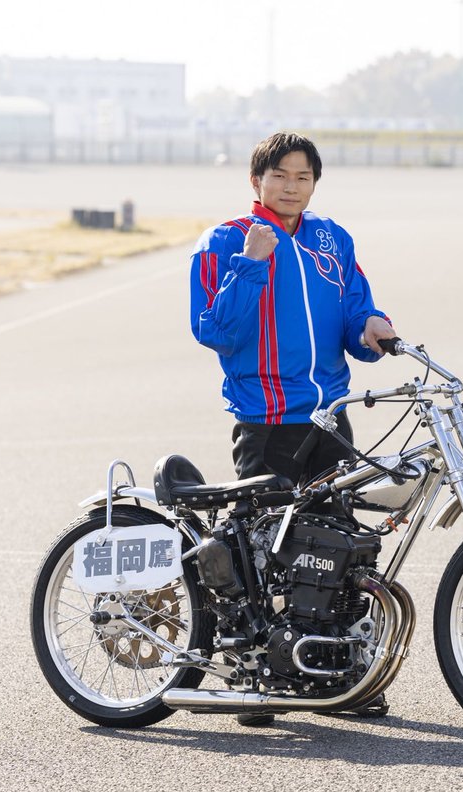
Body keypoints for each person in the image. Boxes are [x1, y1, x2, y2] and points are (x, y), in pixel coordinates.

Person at [188, 131, 397, 726]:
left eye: (303, 177)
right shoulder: (225, 241)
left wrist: (372, 326)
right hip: (265, 420)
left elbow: (355, 307)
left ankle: (343, 675)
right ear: (257, 180)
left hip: (329, 417)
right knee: (264, 552)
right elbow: (215, 330)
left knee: (340, 548)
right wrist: (252, 264)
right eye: (280, 175)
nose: (291, 186)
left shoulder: (333, 239)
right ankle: (257, 675)